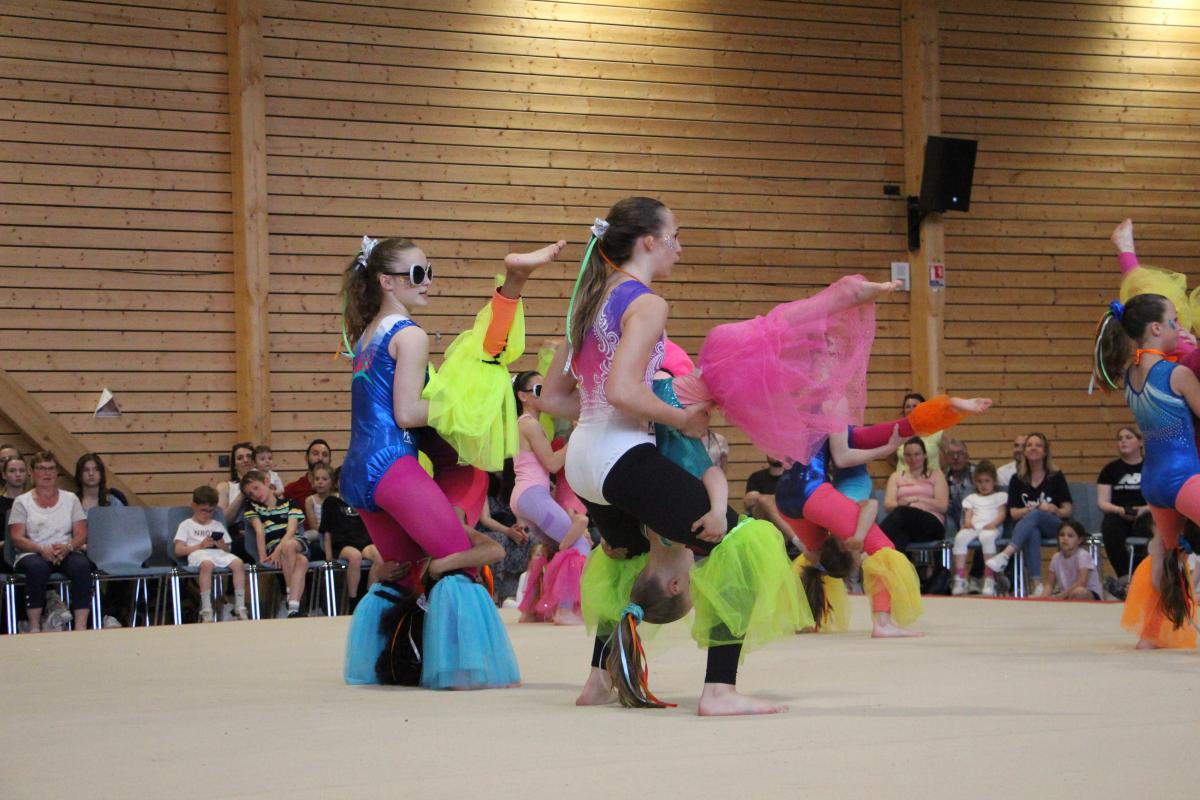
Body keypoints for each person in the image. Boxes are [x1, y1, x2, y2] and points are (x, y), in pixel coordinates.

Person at [541, 199, 803, 716]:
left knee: (626, 558)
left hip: (583, 461)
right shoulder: (646, 302)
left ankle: (599, 678)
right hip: (620, 457)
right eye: (675, 236)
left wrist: (606, 412)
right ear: (648, 241)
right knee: (742, 544)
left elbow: (552, 397)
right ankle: (720, 690)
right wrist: (681, 419)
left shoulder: (588, 299)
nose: (679, 248)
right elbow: (622, 390)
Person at [340, 233, 557, 689]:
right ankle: (460, 668)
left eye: (429, 272)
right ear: (386, 281)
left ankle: (396, 664)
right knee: (458, 563)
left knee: (402, 575)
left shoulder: (366, 336)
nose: (428, 282)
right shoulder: (410, 334)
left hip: (358, 472)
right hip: (393, 465)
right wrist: (462, 406)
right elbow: (407, 413)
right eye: (417, 274)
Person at [1095, 292, 1199, 648]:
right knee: (1167, 555)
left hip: (1153, 482)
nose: (1179, 328)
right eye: (1174, 321)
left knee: (1167, 556)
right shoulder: (1177, 373)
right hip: (1183, 477)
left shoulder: (1130, 377)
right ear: (1156, 328)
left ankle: (1150, 636)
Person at [509, 370, 591, 625]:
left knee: (552, 548)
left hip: (528, 496)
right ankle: (564, 610)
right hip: (532, 495)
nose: (544, 394)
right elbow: (553, 464)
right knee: (579, 543)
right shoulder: (529, 424)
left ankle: (532, 610)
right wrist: (578, 434)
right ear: (523, 396)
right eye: (538, 390)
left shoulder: (528, 424)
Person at [6, 452, 90, 632]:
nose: (47, 473)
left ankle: (81, 626)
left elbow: (81, 534)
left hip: (65, 550)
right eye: (42, 469)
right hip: (32, 551)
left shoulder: (71, 499)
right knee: (37, 568)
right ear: (32, 472)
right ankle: (34, 626)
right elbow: (17, 537)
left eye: (51, 468)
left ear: (57, 472)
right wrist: (41, 549)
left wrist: (69, 547)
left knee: (82, 566)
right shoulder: (22, 502)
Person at [985, 433, 1073, 597]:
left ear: (1045, 452)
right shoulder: (1017, 479)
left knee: (1037, 515)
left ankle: (1005, 554)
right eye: (1029, 445)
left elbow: (1067, 510)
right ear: (1025, 451)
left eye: (1038, 445)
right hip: (1028, 526)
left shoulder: (1055, 476)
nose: (1033, 448)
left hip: (1054, 525)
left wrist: (1054, 509)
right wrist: (1030, 510)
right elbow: (1013, 513)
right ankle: (1037, 585)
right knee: (1033, 530)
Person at [316, 465, 385, 613]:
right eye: (343, 480)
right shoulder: (331, 502)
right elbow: (326, 530)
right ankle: (353, 601)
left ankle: (368, 598)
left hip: (363, 542)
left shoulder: (360, 502)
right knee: (355, 556)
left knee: (379, 556)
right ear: (336, 483)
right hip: (342, 543)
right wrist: (328, 556)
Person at [173, 485, 248, 622]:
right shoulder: (186, 525)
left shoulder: (217, 525)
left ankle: (240, 605)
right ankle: (207, 608)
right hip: (198, 553)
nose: (206, 514)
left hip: (217, 553)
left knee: (238, 563)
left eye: (210, 511)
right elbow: (178, 550)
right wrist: (200, 545)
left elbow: (228, 549)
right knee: (207, 564)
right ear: (194, 506)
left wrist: (222, 545)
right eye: (203, 510)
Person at [241, 469, 309, 618]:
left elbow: (291, 530)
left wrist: (278, 550)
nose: (255, 494)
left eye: (256, 488)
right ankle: (293, 608)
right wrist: (262, 557)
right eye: (250, 494)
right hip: (275, 546)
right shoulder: (253, 507)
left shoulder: (290, 503)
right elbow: (259, 531)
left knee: (289, 546)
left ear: (266, 481)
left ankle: (289, 591)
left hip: (296, 542)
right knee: (302, 561)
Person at [1096, 426, 1148, 588]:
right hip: (1119, 514)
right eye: (1120, 439)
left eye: (1128, 437)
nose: (1123, 441)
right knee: (1109, 527)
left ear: (1140, 442)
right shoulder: (1110, 470)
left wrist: (1144, 509)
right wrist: (1119, 510)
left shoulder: (1151, 467)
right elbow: (1103, 502)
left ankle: (1138, 576)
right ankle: (1124, 577)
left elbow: (1161, 499)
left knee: (1147, 530)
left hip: (1145, 513)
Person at [880, 437, 949, 554]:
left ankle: (873, 544)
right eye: (908, 455)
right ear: (904, 457)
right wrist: (901, 504)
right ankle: (899, 565)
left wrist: (916, 499)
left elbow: (942, 506)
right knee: (900, 538)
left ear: (924, 455)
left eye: (917, 454)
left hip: (931, 524)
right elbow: (888, 505)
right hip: (908, 527)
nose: (913, 459)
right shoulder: (896, 476)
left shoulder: (936, 475)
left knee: (902, 511)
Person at [951, 460, 1007, 596]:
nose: (983, 485)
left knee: (987, 537)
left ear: (994, 481)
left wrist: (994, 523)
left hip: (991, 527)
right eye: (980, 481)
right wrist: (967, 522)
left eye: (987, 481)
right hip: (975, 526)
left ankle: (989, 578)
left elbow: (1002, 513)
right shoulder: (972, 498)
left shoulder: (999, 497)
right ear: (975, 482)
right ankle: (960, 577)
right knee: (960, 537)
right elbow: (969, 513)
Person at [1046, 519, 1102, 600]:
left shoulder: (1082, 555)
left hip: (1089, 594)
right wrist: (1041, 599)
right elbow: (1049, 584)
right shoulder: (1056, 558)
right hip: (1067, 595)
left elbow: (1082, 583)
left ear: (1079, 540)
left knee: (1079, 592)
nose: (1065, 538)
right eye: (1062, 535)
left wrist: (1059, 596)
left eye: (1070, 536)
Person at [888, 393, 943, 475]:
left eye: (915, 406)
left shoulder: (936, 431)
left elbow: (948, 456)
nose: (911, 410)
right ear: (904, 411)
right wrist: (903, 471)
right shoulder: (897, 433)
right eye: (908, 407)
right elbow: (890, 458)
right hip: (903, 480)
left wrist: (935, 473)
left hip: (930, 480)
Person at [217, 441, 255, 546]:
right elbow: (222, 522)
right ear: (234, 465)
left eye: (249, 456)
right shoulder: (225, 487)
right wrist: (242, 494)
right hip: (235, 536)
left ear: (255, 461)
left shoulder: (267, 484)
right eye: (240, 458)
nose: (245, 460)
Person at [283, 438, 332, 505]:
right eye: (315, 454)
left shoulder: (337, 488)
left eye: (325, 455)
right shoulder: (291, 490)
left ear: (330, 460)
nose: (320, 458)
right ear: (306, 458)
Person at [941, 435, 975, 529]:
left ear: (967, 456)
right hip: (952, 521)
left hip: (976, 518)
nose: (955, 457)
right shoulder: (942, 478)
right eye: (951, 454)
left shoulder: (977, 473)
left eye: (959, 453)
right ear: (946, 458)